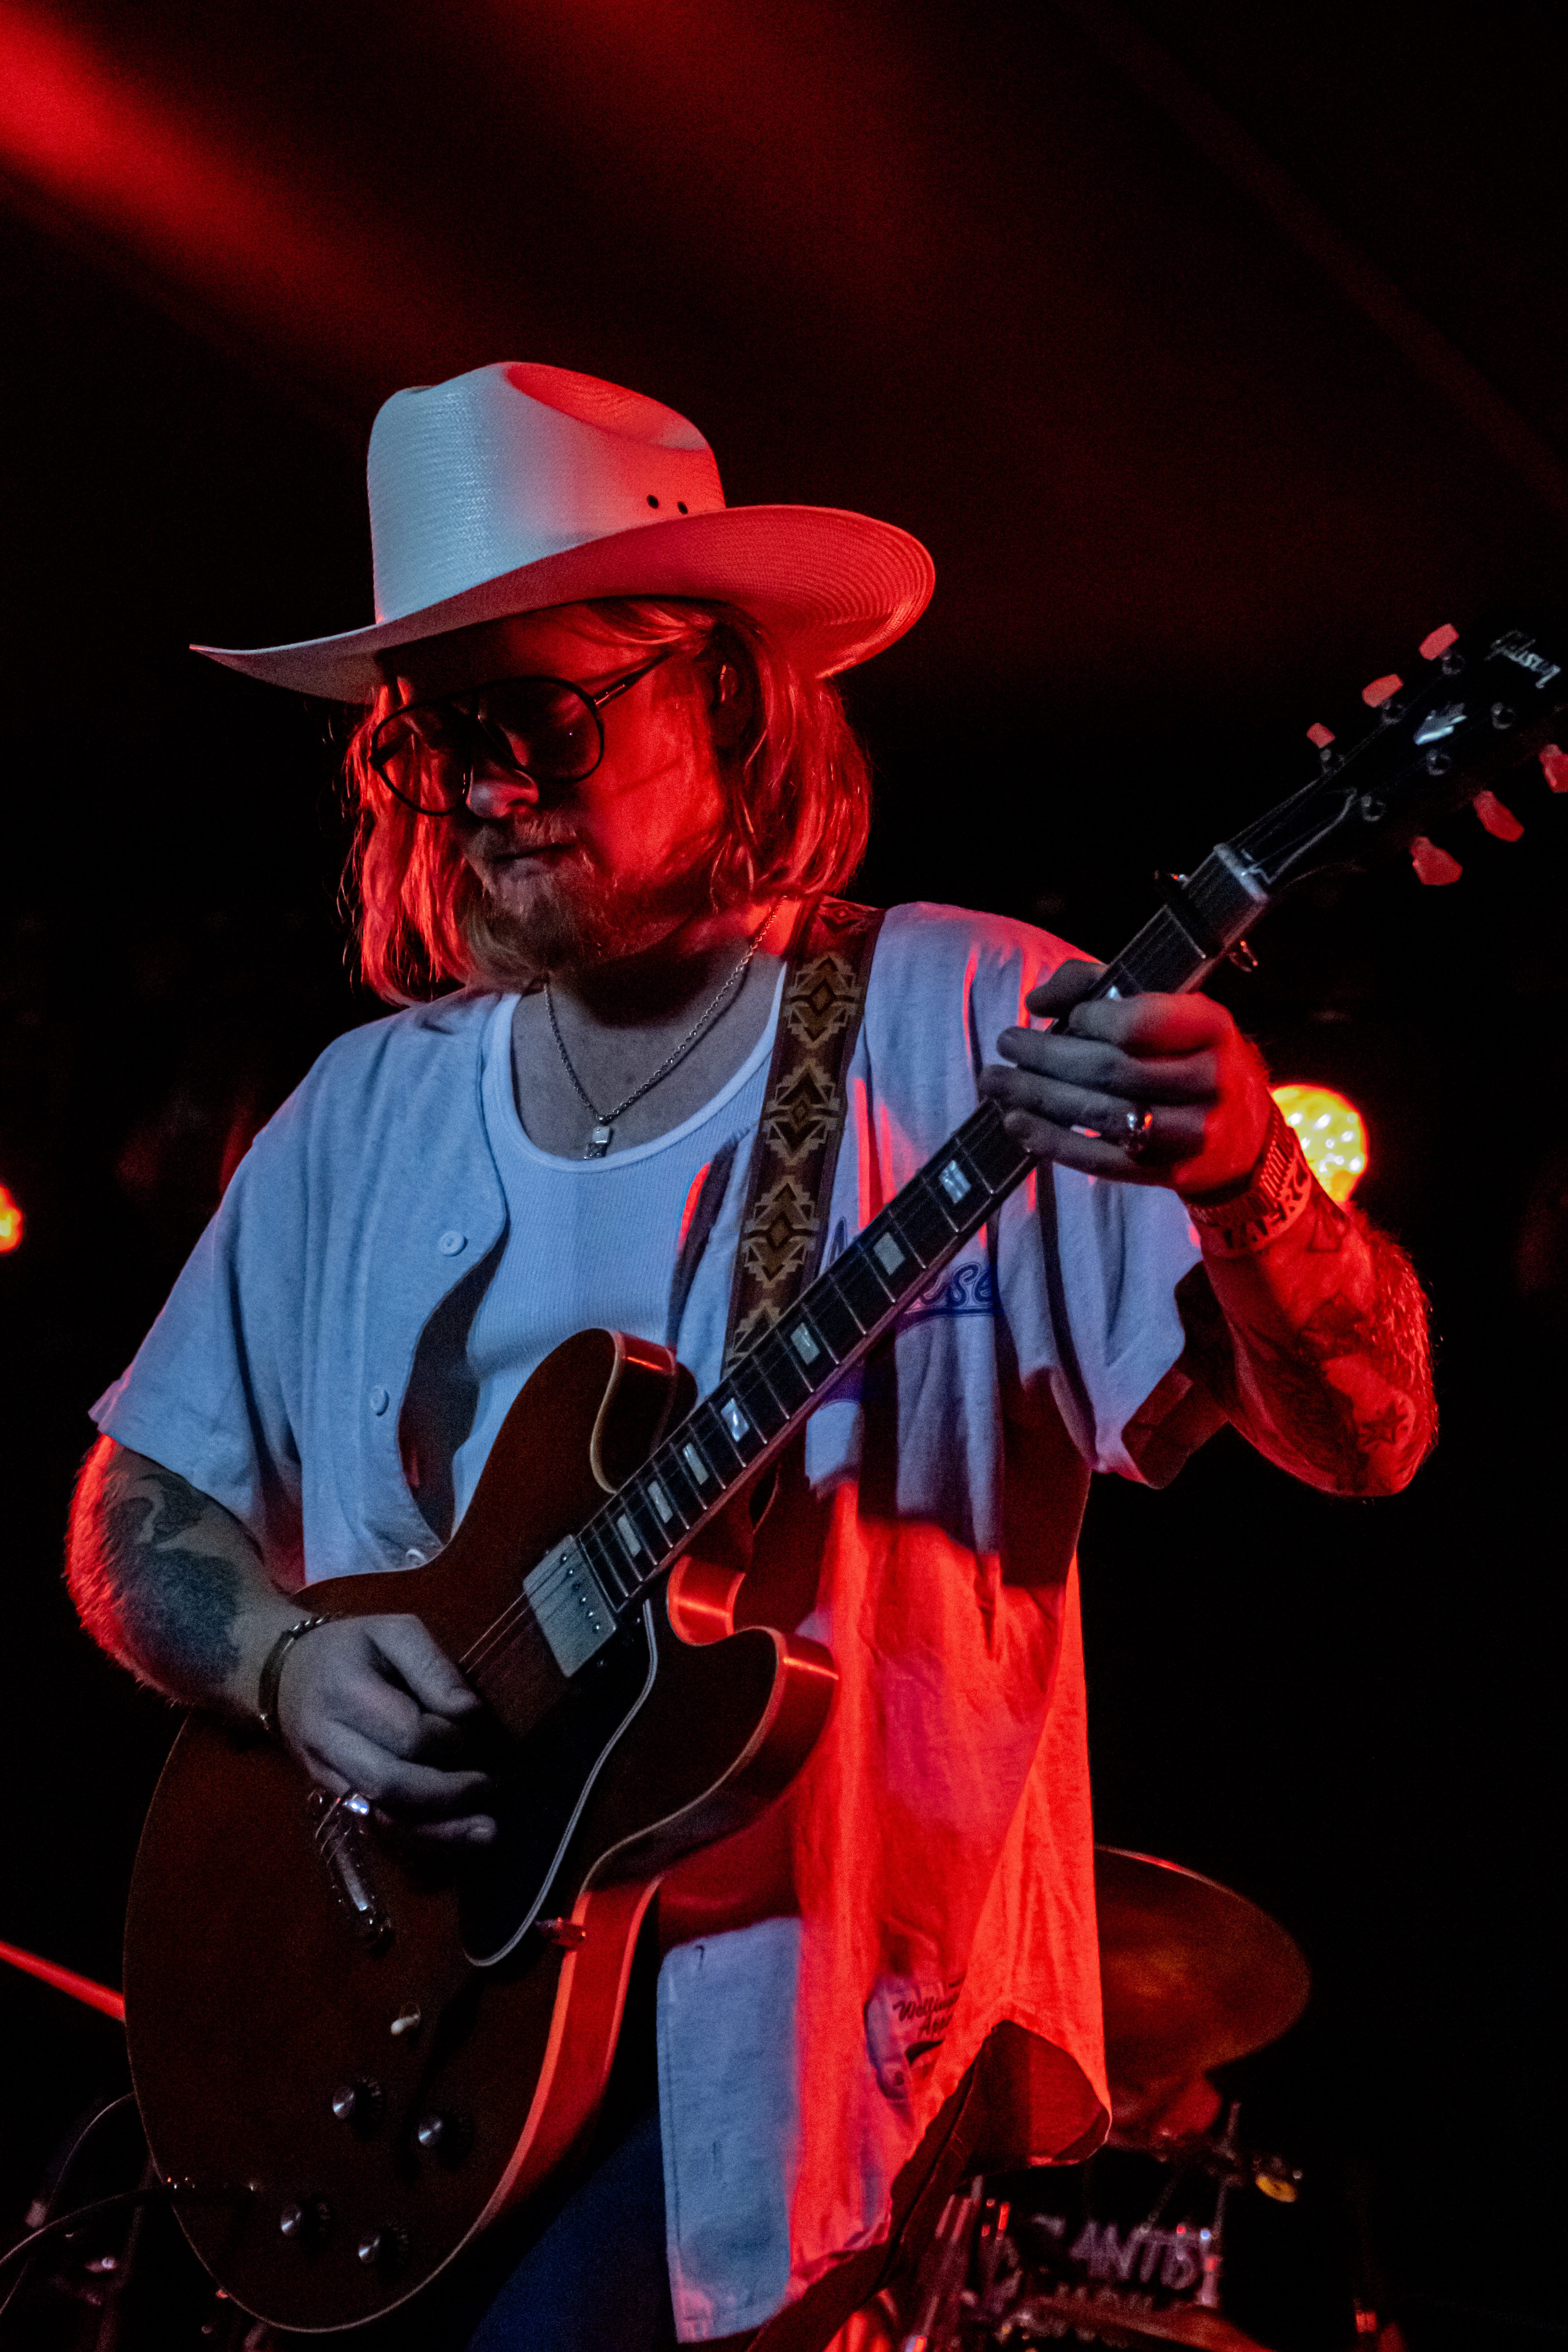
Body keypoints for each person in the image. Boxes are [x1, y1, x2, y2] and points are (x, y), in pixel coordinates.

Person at [65, 363, 1434, 2351]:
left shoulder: (969, 1020)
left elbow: (1371, 1433)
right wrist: (282, 1661)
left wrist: (1247, 1183)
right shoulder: (363, 1113)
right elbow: (140, 1513)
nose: (489, 789)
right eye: (434, 740)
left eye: (540, 718)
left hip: (797, 2077)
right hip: (399, 2021)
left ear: (721, 696)